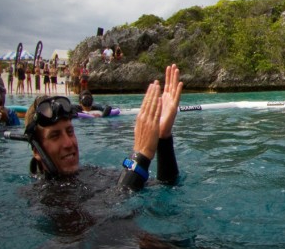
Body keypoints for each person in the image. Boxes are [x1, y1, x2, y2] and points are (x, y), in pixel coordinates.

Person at [24, 65, 183, 189]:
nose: (68, 143)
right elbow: (117, 219)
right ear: (37, 151)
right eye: (55, 136)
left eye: (70, 131)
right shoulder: (43, 200)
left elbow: (165, 187)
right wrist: (141, 154)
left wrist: (163, 139)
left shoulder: (90, 174)